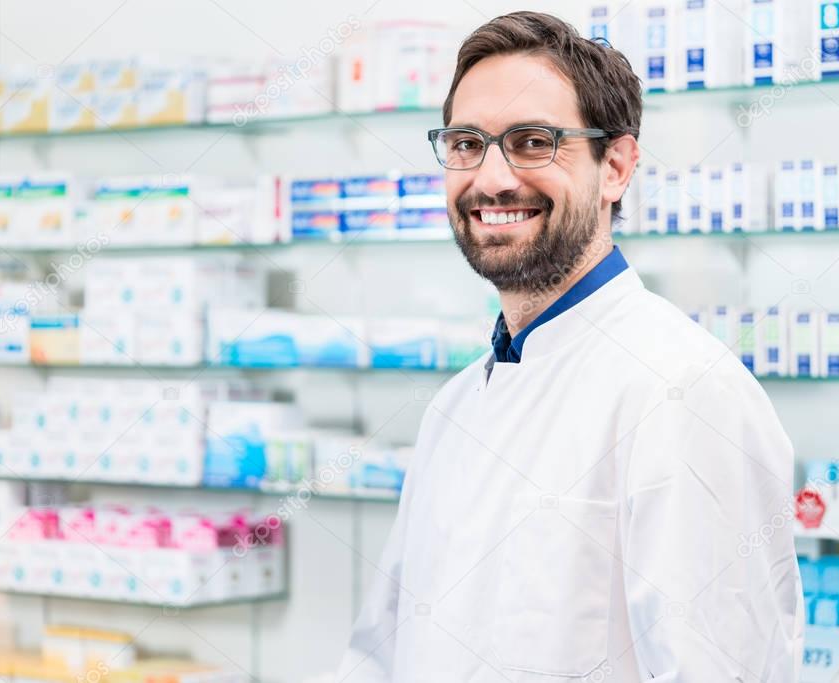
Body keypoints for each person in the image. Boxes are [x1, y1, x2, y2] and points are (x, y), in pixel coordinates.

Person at [337, 11, 803, 682]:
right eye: (467, 143)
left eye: (532, 141)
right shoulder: (455, 406)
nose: (492, 179)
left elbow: (725, 665)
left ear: (615, 166)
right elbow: (381, 654)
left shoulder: (684, 392)